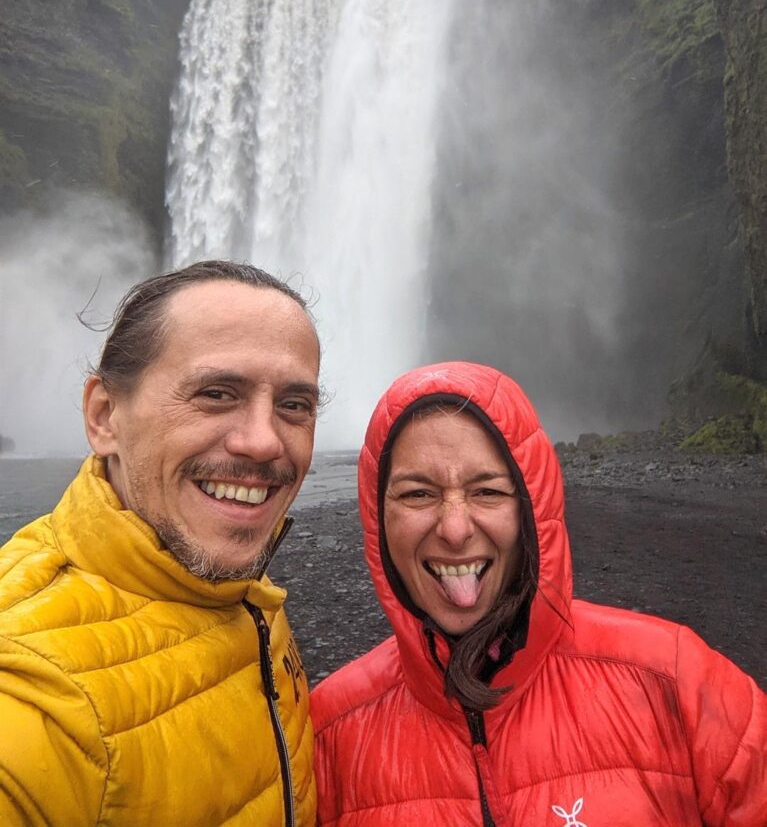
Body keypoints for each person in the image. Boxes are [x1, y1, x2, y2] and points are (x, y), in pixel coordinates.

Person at [311, 361, 766, 826]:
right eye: (416, 495)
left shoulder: (679, 682)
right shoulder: (327, 733)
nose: (453, 528)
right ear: (376, 518)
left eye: (487, 491)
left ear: (533, 507)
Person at [0, 260, 321, 826]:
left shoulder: (247, 594)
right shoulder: (31, 702)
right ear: (104, 417)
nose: (264, 441)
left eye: (294, 405)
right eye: (217, 393)